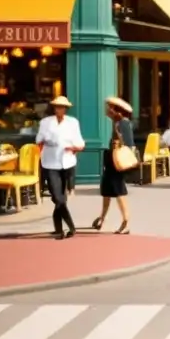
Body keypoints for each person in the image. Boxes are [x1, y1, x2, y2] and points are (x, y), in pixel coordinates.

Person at [36, 96, 84, 240]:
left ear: (66, 109)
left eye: (62, 107)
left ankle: (58, 230)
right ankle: (71, 227)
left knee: (61, 199)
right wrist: (46, 139)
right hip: (50, 163)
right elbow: (38, 139)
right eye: (57, 107)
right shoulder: (45, 122)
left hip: (67, 162)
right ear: (54, 108)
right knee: (58, 198)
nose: (60, 109)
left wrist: (76, 147)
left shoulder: (73, 122)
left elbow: (79, 141)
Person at [93, 97, 134, 234]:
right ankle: (102, 219)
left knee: (118, 190)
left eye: (109, 107)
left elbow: (129, 144)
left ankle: (126, 221)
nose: (106, 109)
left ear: (115, 110)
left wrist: (119, 141)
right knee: (107, 190)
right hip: (111, 160)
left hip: (117, 161)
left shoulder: (123, 123)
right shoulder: (116, 123)